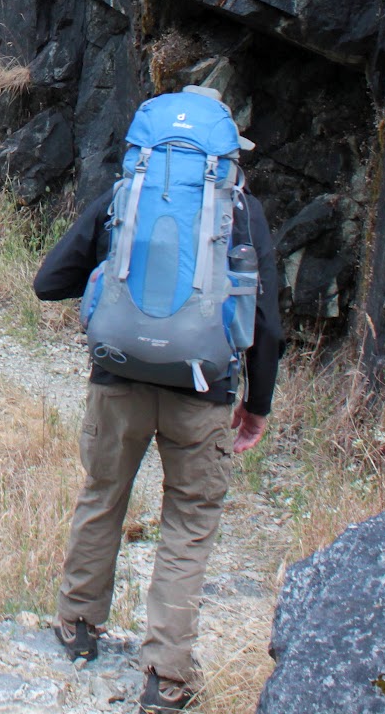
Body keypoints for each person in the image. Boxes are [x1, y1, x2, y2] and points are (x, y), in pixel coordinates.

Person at [33, 85, 282, 714]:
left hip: (117, 381)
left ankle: (78, 627)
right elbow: (267, 322)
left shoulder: (127, 197)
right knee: (189, 523)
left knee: (103, 496)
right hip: (203, 392)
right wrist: (257, 405)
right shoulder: (240, 212)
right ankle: (166, 678)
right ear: (225, 154)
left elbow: (47, 282)